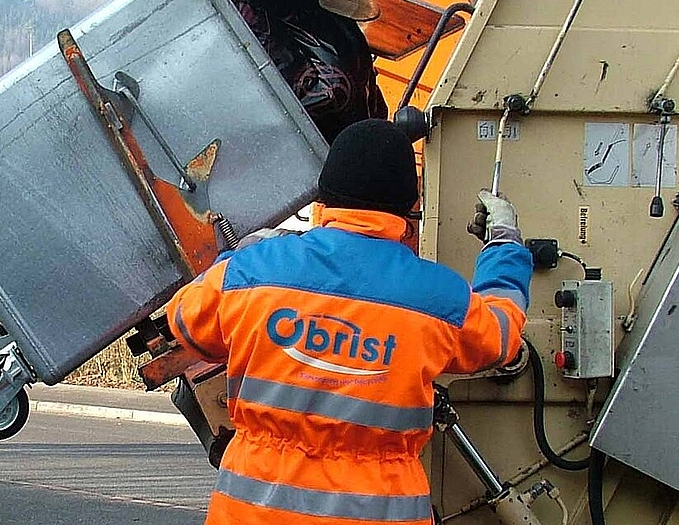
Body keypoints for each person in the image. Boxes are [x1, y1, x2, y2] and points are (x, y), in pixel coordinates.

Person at [165, 118, 533, 525]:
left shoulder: (255, 272)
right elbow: (502, 337)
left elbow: (184, 319)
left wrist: (242, 254)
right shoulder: (438, 298)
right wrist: (504, 244)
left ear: (325, 196)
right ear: (408, 208)